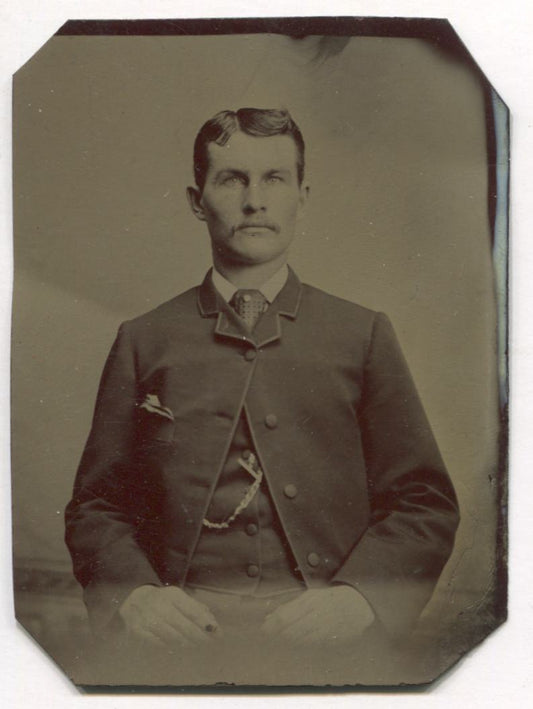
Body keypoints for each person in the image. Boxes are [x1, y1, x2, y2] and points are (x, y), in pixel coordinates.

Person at [65, 107, 459, 661]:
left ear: (303, 193)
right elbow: (96, 505)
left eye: (275, 178)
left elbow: (425, 501)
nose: (255, 200)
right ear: (196, 200)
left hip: (327, 638)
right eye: (232, 178)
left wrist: (359, 599)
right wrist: (135, 596)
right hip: (179, 641)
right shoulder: (144, 339)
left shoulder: (362, 333)